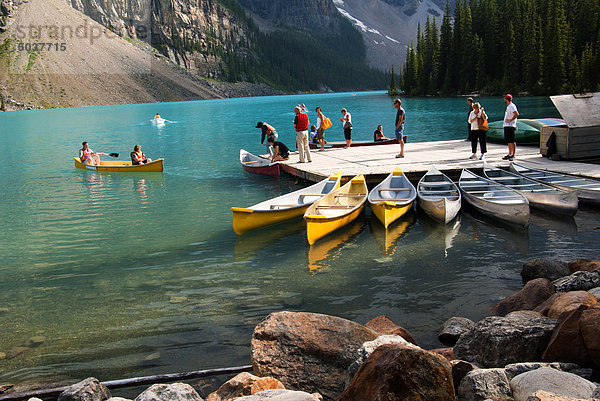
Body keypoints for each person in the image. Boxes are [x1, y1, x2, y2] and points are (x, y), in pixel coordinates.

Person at [503, 94, 519, 161]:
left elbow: (516, 114)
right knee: (509, 141)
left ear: (507, 99)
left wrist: (511, 120)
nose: (504, 100)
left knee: (512, 140)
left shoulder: (512, 106)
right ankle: (510, 154)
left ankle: (513, 155)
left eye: (505, 99)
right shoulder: (509, 106)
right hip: (507, 125)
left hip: (510, 125)